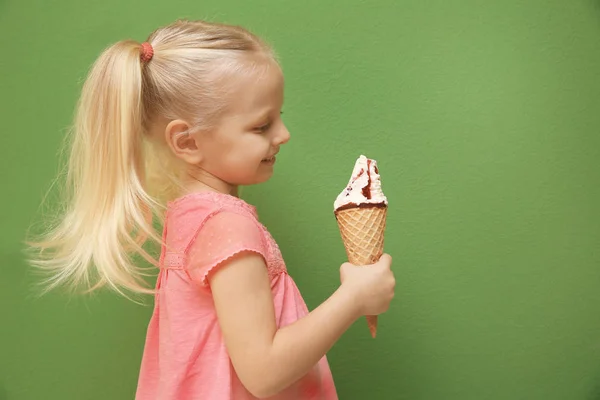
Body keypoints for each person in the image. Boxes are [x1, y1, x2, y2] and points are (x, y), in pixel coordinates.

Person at [28, 19, 396, 399]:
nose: (283, 134)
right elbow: (264, 372)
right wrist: (353, 298)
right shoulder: (228, 226)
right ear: (187, 141)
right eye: (262, 125)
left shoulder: (190, 217)